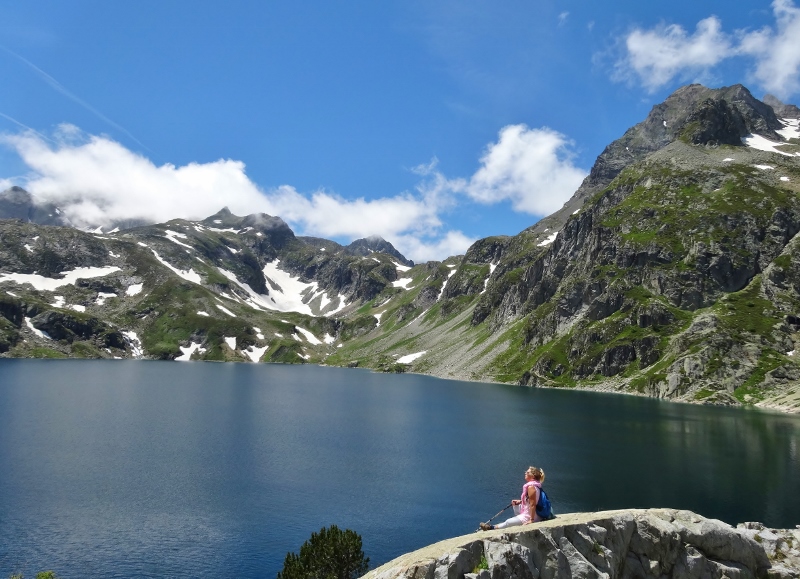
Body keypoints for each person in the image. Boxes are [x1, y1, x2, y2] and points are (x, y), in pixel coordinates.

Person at [480, 466, 545, 530]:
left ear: (532, 476)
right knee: (515, 506)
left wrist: (531, 520)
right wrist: (520, 501)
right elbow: (532, 500)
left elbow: (533, 504)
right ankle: (517, 520)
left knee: (508, 522)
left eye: (527, 472)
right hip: (529, 511)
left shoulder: (531, 487)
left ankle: (492, 528)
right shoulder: (534, 485)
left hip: (531, 515)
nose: (525, 473)